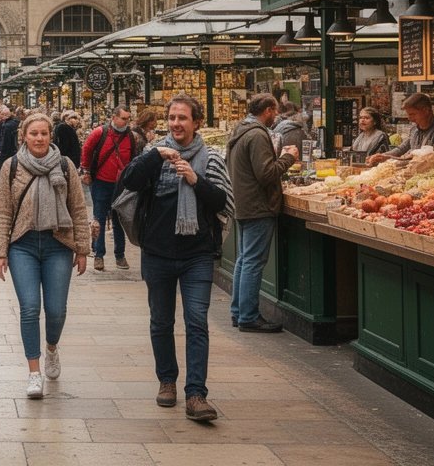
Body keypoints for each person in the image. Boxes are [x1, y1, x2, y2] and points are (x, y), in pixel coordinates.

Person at [117, 94, 233, 421]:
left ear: (196, 122)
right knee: (161, 321)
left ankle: (196, 394)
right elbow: (129, 180)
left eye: (183, 118)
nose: (176, 124)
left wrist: (195, 180)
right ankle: (166, 381)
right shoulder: (153, 154)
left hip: (196, 253)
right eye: (172, 118)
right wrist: (155, 156)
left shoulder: (209, 158)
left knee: (196, 321)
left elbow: (220, 201)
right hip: (158, 252)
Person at [0, 113, 91, 399]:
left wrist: (82, 249)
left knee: (57, 310)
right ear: (24, 135)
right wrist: (0, 253)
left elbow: (78, 208)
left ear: (50, 135)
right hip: (22, 245)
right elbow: (2, 213)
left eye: (44, 133)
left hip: (58, 242)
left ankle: (51, 348)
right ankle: (34, 372)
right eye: (33, 133)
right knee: (30, 308)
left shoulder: (65, 165)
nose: (39, 138)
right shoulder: (11, 167)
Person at [225, 93, 298, 334]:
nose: (275, 116)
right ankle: (248, 316)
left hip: (244, 203)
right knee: (253, 261)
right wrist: (289, 158)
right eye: (274, 111)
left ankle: (239, 312)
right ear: (267, 110)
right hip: (258, 206)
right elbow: (266, 173)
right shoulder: (257, 135)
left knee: (245, 259)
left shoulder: (241, 130)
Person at [80, 106, 144, 271]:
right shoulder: (99, 133)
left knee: (119, 221)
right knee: (99, 219)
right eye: (123, 118)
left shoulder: (130, 136)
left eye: (128, 119)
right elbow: (87, 150)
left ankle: (120, 256)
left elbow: (133, 158)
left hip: (121, 185)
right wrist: (86, 170)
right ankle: (99, 255)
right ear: (114, 118)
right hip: (101, 182)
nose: (126, 122)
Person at [367, 93, 434, 164]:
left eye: (412, 114)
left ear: (426, 111)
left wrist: (390, 158)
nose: (410, 118)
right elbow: (402, 148)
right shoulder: (414, 129)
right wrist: (384, 156)